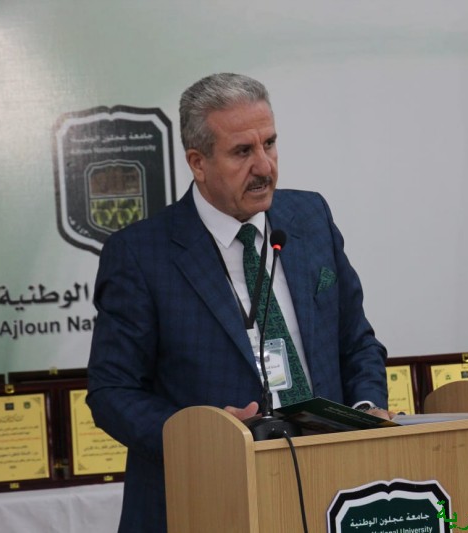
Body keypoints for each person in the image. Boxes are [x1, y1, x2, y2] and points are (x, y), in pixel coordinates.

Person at [86, 73, 389, 533]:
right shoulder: (141, 254)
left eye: (270, 144)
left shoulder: (310, 218)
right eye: (242, 152)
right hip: (204, 500)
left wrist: (366, 409)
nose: (264, 166)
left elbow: (357, 342)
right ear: (198, 162)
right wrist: (202, 436)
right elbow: (112, 392)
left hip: (327, 489)